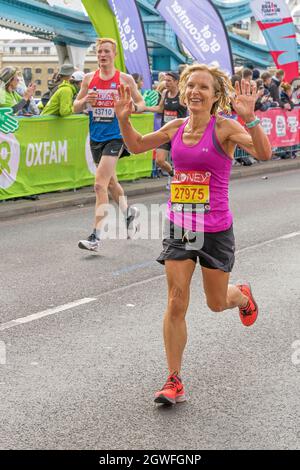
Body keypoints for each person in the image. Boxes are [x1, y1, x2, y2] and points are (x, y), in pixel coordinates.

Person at [114, 63, 272, 405]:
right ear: (184, 92)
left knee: (216, 303)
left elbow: (264, 153)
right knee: (176, 299)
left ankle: (241, 296)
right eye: (191, 86)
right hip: (180, 228)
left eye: (203, 87)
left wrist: (252, 118)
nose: (195, 92)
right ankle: (174, 379)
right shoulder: (175, 128)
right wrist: (124, 119)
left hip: (215, 229)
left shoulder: (225, 128)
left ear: (216, 97)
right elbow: (139, 145)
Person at [73, 38, 145, 251]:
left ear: (114, 55)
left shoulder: (124, 79)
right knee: (111, 183)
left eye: (106, 52)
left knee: (99, 184)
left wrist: (132, 106)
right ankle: (128, 212)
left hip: (116, 136)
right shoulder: (88, 79)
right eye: (99, 52)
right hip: (96, 137)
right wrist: (86, 100)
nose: (102, 55)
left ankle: (95, 237)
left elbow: (141, 103)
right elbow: (75, 107)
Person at [145, 72, 187, 180]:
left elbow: (191, 110)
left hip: (179, 133)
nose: (166, 83)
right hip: (166, 131)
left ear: (176, 82)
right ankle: (173, 174)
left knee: (181, 160)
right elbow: (160, 109)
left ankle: (185, 180)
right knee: (159, 160)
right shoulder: (164, 93)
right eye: (165, 80)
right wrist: (143, 108)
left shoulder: (183, 95)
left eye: (169, 81)